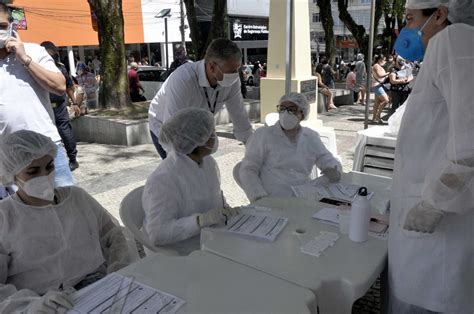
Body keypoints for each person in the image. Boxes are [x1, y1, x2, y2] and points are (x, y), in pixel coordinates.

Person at [389, 0, 474, 313]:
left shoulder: (454, 40)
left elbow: (470, 144)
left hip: (440, 233)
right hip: (433, 223)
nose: (407, 30)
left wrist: (434, 202)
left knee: (429, 298)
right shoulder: (452, 47)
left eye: (411, 19)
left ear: (440, 14)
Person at [0, 130, 131, 313]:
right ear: (12, 174)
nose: (44, 176)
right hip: (46, 304)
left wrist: (119, 270)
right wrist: (29, 305)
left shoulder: (77, 198)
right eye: (33, 171)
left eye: (49, 166)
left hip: (100, 286)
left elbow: (113, 235)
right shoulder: (4, 217)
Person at [143, 108, 238, 255]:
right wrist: (198, 221)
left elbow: (213, 197)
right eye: (212, 133)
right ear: (199, 141)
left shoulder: (208, 162)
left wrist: (227, 211)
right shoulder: (165, 179)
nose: (215, 137)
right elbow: (157, 233)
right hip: (180, 252)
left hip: (210, 240)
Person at [0, 3, 74, 188]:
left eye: (1, 26)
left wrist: (24, 59)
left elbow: (59, 86)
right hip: (11, 156)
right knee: (25, 214)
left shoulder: (34, 51)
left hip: (47, 147)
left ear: (11, 25)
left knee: (67, 205)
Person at [148, 38, 253, 159]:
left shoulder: (232, 81)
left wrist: (253, 151)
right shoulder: (183, 79)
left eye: (237, 70)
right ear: (212, 67)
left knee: (200, 167)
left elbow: (240, 117)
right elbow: (172, 134)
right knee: (180, 168)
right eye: (231, 71)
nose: (235, 75)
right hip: (164, 124)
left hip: (194, 126)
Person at [239, 93, 342, 202]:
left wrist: (334, 170)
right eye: (282, 109)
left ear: (302, 114)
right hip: (272, 197)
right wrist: (258, 196)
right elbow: (248, 169)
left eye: (291, 109)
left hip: (303, 195)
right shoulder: (263, 135)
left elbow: (326, 158)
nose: (285, 113)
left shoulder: (311, 137)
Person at [41, 41, 80, 172]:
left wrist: (74, 103)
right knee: (63, 129)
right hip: (52, 104)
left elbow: (69, 86)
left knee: (60, 130)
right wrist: (74, 103)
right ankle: (71, 159)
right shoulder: (60, 67)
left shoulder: (40, 68)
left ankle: (69, 158)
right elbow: (70, 87)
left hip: (52, 105)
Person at [371, 54, 390, 124]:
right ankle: (377, 116)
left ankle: (374, 118)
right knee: (386, 100)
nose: (385, 61)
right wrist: (387, 74)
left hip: (378, 85)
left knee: (377, 103)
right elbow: (379, 75)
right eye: (384, 60)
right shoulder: (376, 66)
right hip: (377, 86)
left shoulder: (379, 66)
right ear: (380, 60)